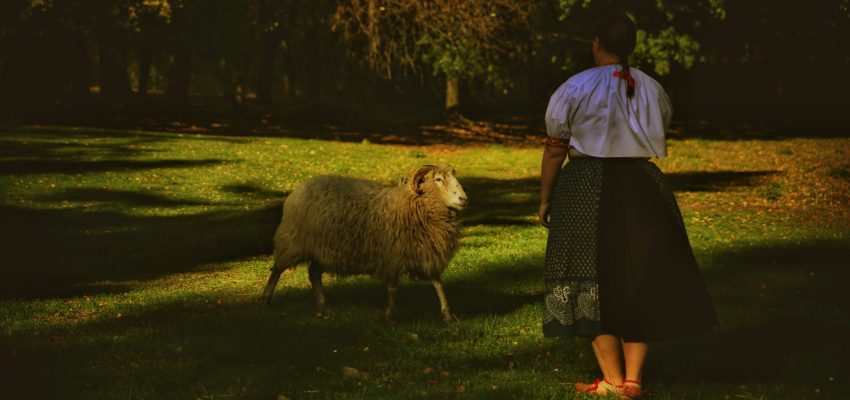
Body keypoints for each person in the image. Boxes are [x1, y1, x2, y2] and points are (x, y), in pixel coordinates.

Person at [538, 12, 717, 399]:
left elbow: (554, 151)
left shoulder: (575, 86)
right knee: (638, 276)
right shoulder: (653, 88)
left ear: (597, 42)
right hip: (642, 184)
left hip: (585, 185)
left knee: (588, 274)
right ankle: (632, 381)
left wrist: (545, 198)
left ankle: (613, 380)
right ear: (631, 45)